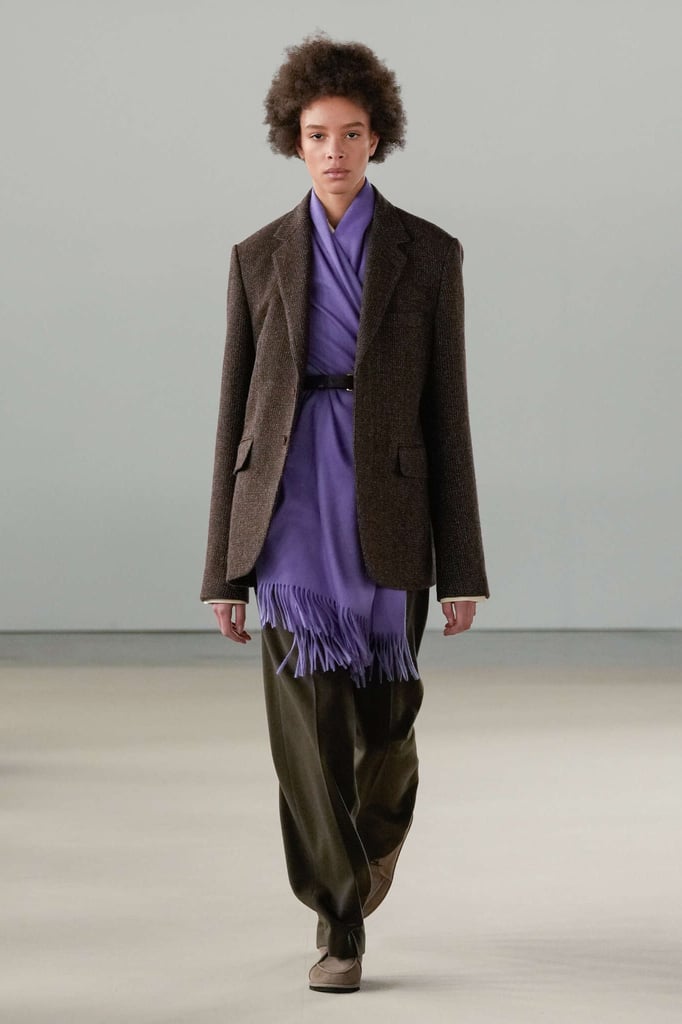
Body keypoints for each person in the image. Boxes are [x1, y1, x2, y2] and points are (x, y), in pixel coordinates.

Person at [200, 34, 490, 994]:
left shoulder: (429, 254)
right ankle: (338, 921)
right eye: (318, 134)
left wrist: (464, 567)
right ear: (294, 140)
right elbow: (235, 414)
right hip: (285, 509)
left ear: (377, 138)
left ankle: (363, 857)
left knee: (387, 729)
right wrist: (223, 570)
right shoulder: (256, 258)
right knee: (306, 733)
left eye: (352, 133)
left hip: (388, 513)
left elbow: (448, 417)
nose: (334, 151)